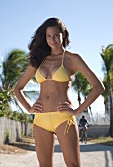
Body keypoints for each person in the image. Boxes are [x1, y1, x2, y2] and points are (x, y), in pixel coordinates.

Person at [14, 17, 105, 167]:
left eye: (56, 35)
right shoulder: (39, 60)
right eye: (48, 36)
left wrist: (77, 110)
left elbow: (98, 86)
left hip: (63, 118)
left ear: (63, 35)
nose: (52, 39)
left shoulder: (72, 59)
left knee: (73, 164)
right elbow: (18, 88)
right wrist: (29, 108)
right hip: (41, 119)